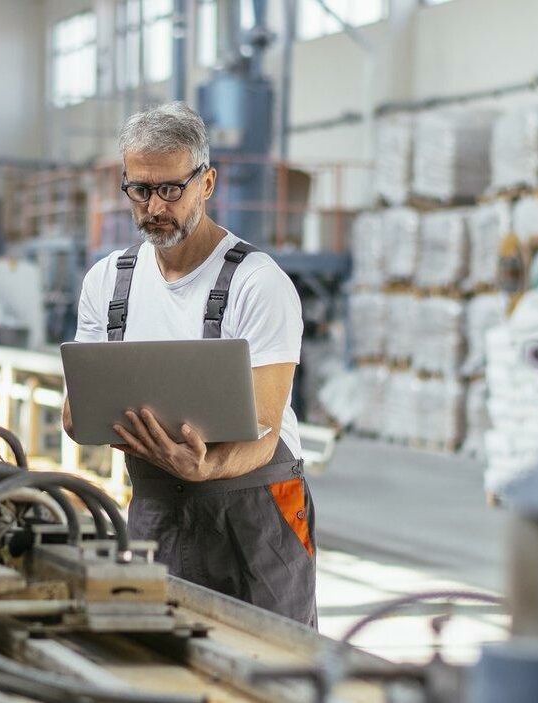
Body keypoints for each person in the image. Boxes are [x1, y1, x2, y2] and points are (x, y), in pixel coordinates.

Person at [61, 102, 316, 626]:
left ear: (207, 183)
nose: (155, 207)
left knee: (272, 658)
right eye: (140, 190)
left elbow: (264, 430)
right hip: (156, 506)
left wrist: (207, 467)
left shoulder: (257, 283)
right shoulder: (107, 281)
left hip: (254, 515)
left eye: (172, 189)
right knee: (158, 650)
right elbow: (75, 413)